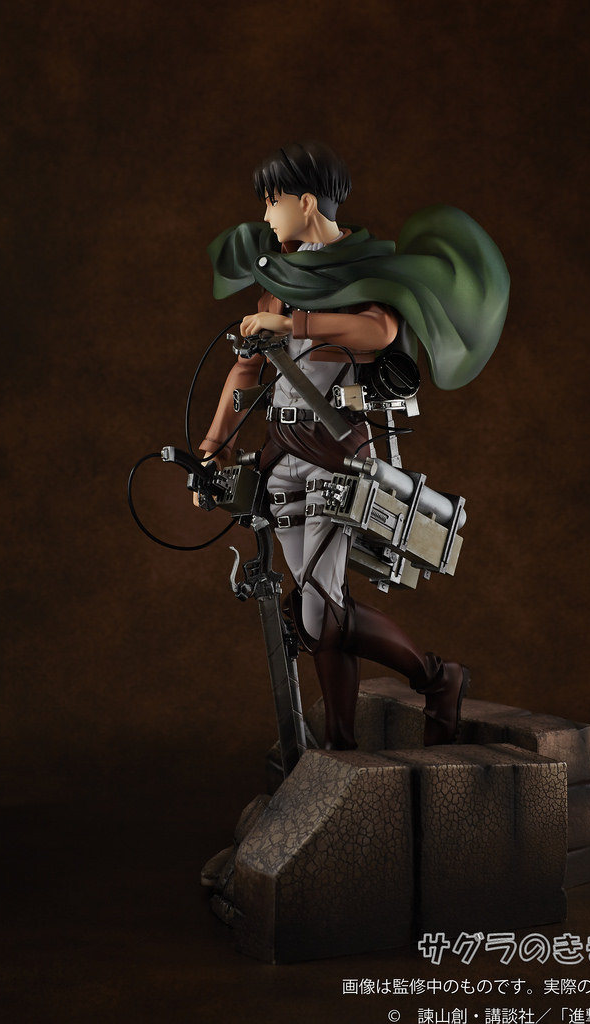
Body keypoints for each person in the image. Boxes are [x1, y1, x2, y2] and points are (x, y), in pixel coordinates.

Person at [196, 142, 509, 750]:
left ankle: (436, 676)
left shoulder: (359, 271)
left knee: (318, 609)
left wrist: (294, 325)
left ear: (306, 202)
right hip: (280, 452)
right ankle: (341, 747)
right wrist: (215, 443)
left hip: (336, 452)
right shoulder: (280, 276)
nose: (265, 215)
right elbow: (245, 371)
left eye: (272, 201)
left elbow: (380, 329)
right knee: (321, 613)